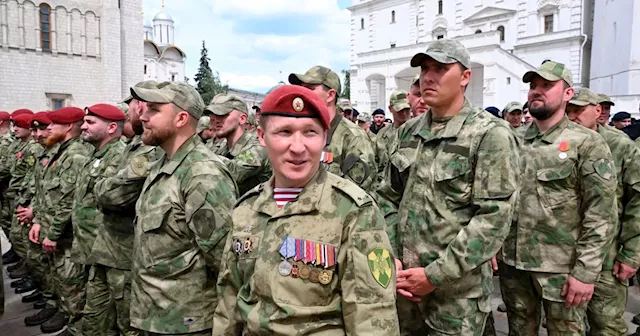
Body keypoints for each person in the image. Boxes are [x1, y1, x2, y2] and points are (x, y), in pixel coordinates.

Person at [213, 84, 399, 335]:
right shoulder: (246, 209)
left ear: (324, 138)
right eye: (285, 132)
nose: (298, 147)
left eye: (310, 132)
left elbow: (374, 319)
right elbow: (228, 305)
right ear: (261, 136)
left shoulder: (353, 211)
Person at [377, 39, 520, 335]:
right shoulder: (408, 132)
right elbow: (388, 197)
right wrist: (392, 255)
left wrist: (434, 275)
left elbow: (493, 218)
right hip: (404, 285)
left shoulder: (490, 135)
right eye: (425, 68)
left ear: (465, 77)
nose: (428, 76)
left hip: (456, 297)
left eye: (441, 68)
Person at [500, 61, 617, 335]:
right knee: (518, 330)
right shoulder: (513, 140)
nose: (536, 92)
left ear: (568, 94)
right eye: (533, 86)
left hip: (562, 269)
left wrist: (585, 273)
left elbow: (601, 214)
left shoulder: (587, 143)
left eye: (547, 86)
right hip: (514, 265)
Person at [129, 81, 237, 335]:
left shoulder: (202, 174)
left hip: (188, 323)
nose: (142, 115)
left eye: (154, 109)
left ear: (180, 119)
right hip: (158, 316)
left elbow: (225, 261)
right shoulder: (163, 164)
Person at [566, 87, 640, 335]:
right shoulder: (562, 143)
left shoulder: (620, 145)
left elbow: (637, 201)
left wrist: (632, 253)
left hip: (608, 257)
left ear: (597, 111)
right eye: (568, 110)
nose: (572, 116)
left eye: (579, 110)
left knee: (606, 325)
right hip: (565, 255)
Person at [92, 82, 163, 336]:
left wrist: (101, 189)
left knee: (128, 325)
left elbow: (111, 193)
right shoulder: (133, 145)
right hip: (107, 247)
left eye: (130, 104)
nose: (128, 111)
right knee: (98, 319)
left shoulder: (151, 148)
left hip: (126, 253)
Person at [66, 104, 131, 336]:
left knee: (120, 322)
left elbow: (114, 199)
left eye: (91, 122)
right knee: (94, 319)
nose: (83, 126)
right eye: (84, 121)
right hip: (92, 249)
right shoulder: (94, 154)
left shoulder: (121, 155)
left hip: (112, 254)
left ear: (112, 127)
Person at [29, 107, 93, 335]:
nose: (48, 129)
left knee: (72, 287)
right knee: (61, 283)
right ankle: (65, 315)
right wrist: (38, 221)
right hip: (55, 233)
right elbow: (47, 194)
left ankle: (76, 327)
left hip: (68, 238)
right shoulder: (61, 152)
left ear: (67, 127)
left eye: (52, 125)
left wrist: (53, 233)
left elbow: (67, 201)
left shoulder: (75, 155)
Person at [289, 65, 377, 192]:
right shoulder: (300, 131)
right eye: (301, 89)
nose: (302, 94)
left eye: (310, 89)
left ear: (330, 95)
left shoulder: (353, 137)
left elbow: (356, 194)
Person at [7, 112, 44, 297]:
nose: (14, 129)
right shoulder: (23, 145)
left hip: (33, 204)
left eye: (18, 126)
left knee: (34, 249)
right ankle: (36, 279)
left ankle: (45, 290)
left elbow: (36, 179)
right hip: (24, 198)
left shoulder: (34, 148)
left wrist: (32, 206)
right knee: (21, 240)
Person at [206, 93, 272, 195]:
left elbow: (234, 172)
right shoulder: (222, 146)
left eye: (222, 114)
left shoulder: (258, 146)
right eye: (212, 115)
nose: (215, 119)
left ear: (242, 119)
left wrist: (199, 153)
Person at [375, 90, 412, 181]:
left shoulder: (417, 133)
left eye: (407, 109)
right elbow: (375, 163)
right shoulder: (382, 134)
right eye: (400, 110)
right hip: (384, 189)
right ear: (390, 109)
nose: (404, 113)